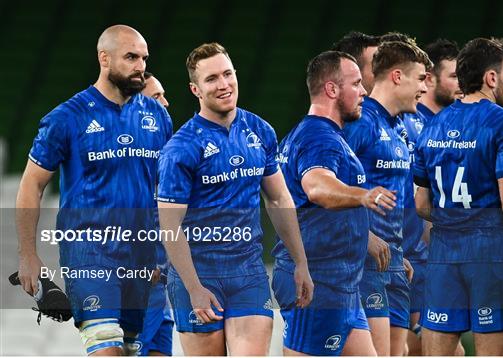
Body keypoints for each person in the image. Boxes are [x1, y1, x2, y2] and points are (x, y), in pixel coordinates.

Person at [16, 25, 173, 355]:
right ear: (104, 58)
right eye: (130, 57)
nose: (140, 66)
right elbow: (32, 184)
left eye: (143, 58)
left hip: (143, 258)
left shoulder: (157, 116)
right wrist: (29, 255)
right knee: (105, 345)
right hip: (90, 252)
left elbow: (164, 190)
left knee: (134, 349)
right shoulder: (66, 118)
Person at [157, 42, 313, 356]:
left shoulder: (260, 131)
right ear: (195, 89)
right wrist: (193, 288)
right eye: (212, 78)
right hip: (198, 276)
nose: (224, 84)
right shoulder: (180, 148)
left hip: (248, 274)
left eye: (228, 74)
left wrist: (301, 262)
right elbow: (169, 224)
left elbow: (280, 199)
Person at [414, 37, 503, 355]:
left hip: (443, 254)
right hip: (492, 252)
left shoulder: (431, 126)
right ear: (491, 78)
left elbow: (421, 204)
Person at [272, 50, 397, 356]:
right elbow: (316, 187)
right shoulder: (319, 137)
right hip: (319, 282)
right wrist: (363, 196)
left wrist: (363, 235)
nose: (364, 91)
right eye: (356, 83)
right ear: (331, 89)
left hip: (342, 285)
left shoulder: (320, 135)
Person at [343, 40, 431, 356]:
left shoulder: (397, 129)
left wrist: (397, 255)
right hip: (362, 265)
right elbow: (327, 190)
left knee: (400, 353)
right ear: (397, 76)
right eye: (420, 78)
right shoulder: (360, 122)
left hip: (392, 261)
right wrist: (365, 237)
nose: (425, 88)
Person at [400, 39, 465, 356]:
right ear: (429, 79)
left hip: (431, 259)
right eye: (453, 76)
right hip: (413, 259)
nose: (460, 85)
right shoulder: (414, 126)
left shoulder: (440, 127)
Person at [135, 72, 174, 356]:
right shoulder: (123, 157)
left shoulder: (163, 152)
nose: (166, 103)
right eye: (156, 97)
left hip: (162, 286)